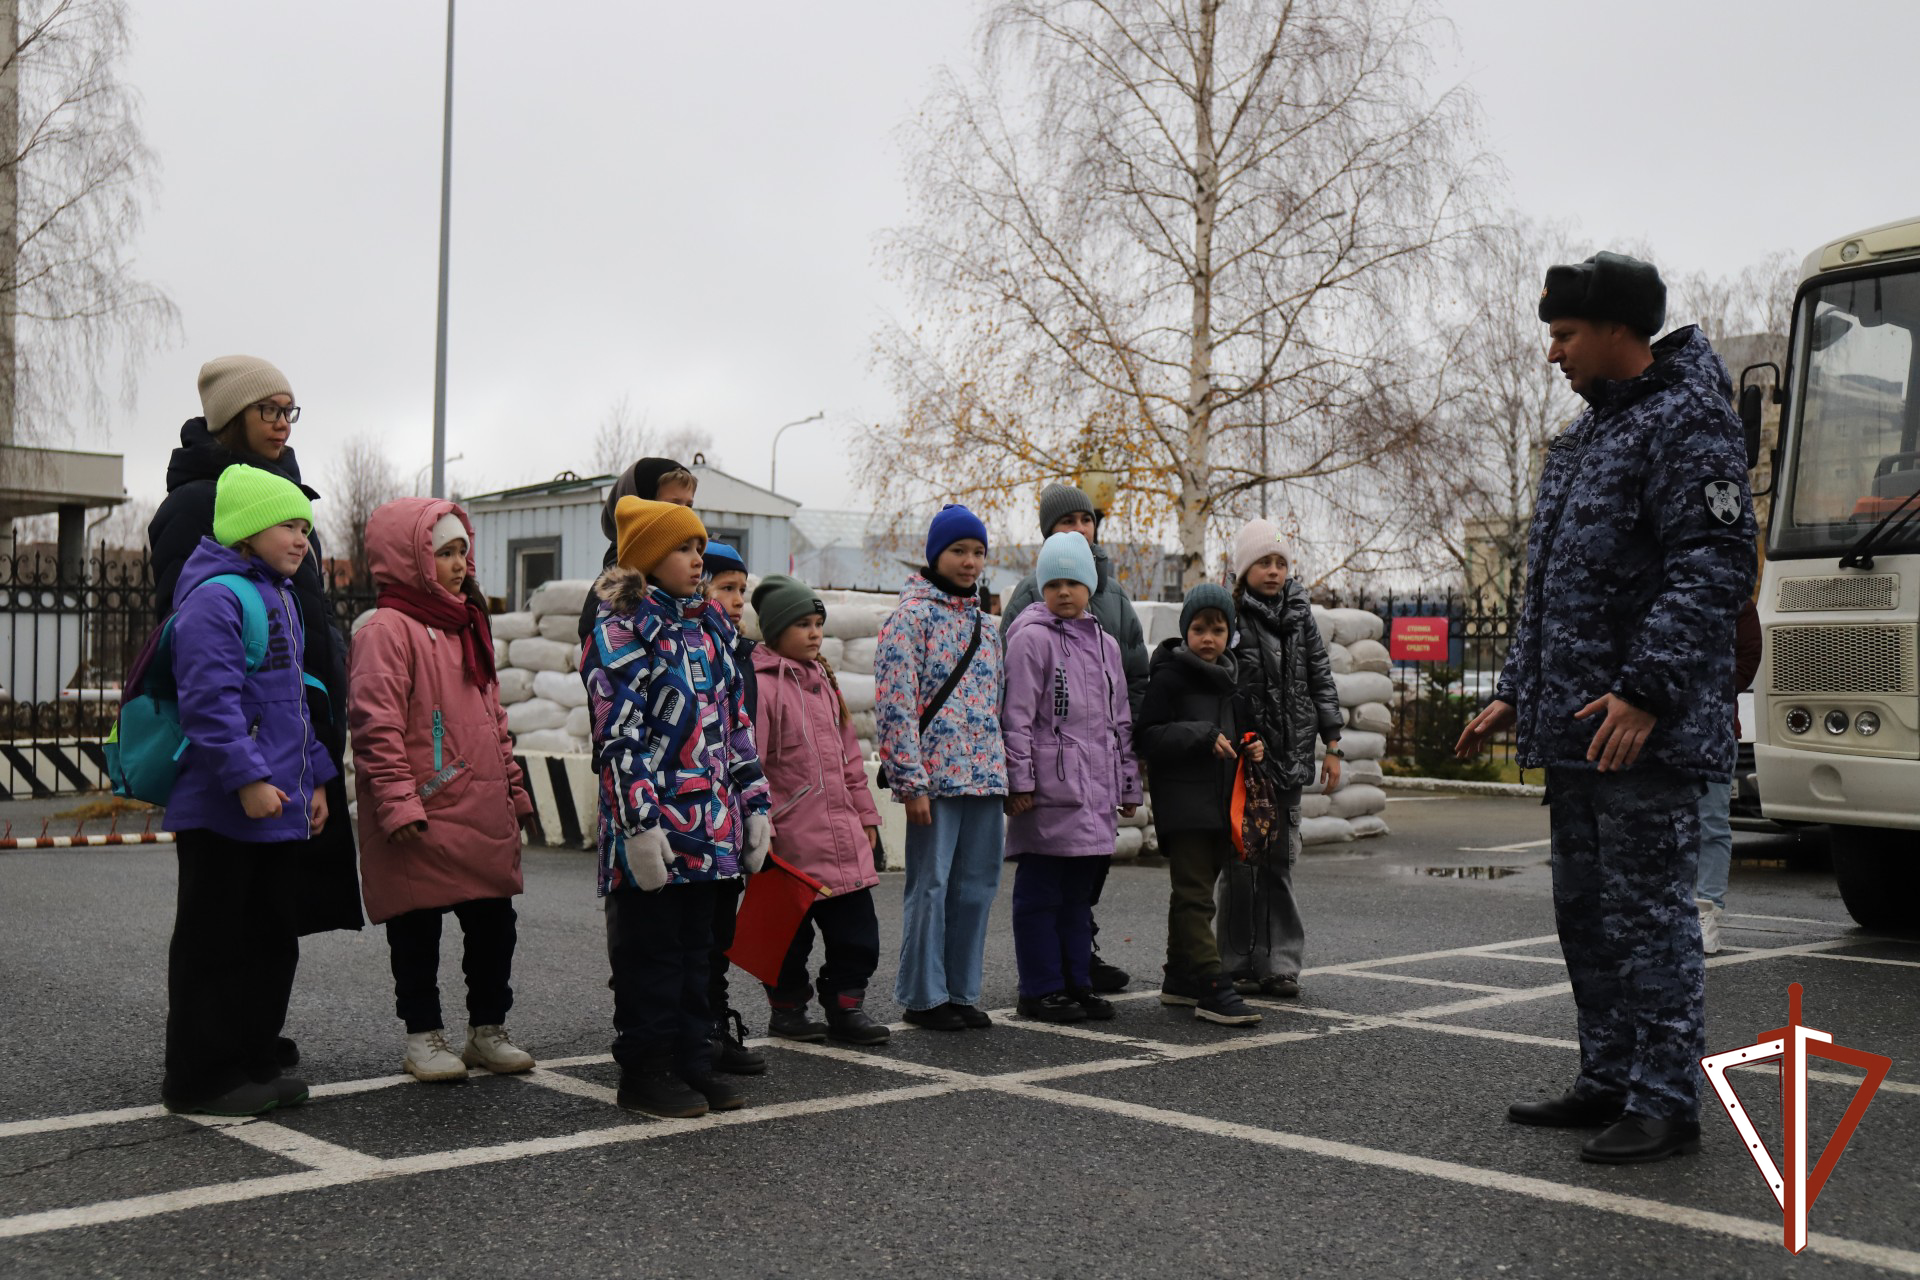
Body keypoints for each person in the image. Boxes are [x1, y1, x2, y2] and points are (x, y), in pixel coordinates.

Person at [1456, 251, 1757, 1165]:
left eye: (1565, 335)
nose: (1554, 354)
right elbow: (1550, 585)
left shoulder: (1689, 420)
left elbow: (1714, 567)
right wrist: (1517, 689)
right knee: (1586, 912)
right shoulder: (1587, 438)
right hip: (1579, 728)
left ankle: (1666, 1102)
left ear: (1620, 332)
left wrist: (1643, 691)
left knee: (1651, 917)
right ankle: (1609, 1077)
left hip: (1643, 732)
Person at [147, 357, 364, 1072]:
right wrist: (243, 765)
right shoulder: (205, 524)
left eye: (289, 410)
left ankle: (246, 1043)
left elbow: (304, 628)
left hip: (287, 749)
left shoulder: (283, 505)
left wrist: (319, 766)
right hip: (230, 761)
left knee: (272, 917)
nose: (281, 422)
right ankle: (208, 1060)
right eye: (267, 410)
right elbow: (208, 672)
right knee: (221, 919)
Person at [583, 498, 772, 1119]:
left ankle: (694, 1059)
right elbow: (618, 736)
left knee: (698, 954)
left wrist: (753, 804)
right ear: (646, 558)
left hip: (711, 829)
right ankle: (647, 1069)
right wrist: (638, 826)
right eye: (684, 548)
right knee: (651, 957)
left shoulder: (711, 628)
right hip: (655, 832)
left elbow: (734, 724)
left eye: (699, 547)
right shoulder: (621, 632)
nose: (698, 558)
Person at [159, 466, 337, 1116]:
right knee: (215, 942)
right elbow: (210, 704)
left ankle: (252, 1057)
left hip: (276, 805)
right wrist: (249, 779)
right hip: (224, 809)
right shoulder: (216, 599)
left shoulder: (278, 596)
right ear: (246, 528)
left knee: (268, 938)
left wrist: (314, 776)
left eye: (306, 529)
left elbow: (290, 702)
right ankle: (200, 1077)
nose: (302, 540)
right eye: (290, 525)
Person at [348, 498, 537, 1083]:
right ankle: (423, 1035)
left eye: (462, 552)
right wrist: (398, 801)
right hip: (421, 806)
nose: (460, 565)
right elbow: (374, 725)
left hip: (479, 803)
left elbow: (492, 720)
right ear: (411, 560)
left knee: (493, 925)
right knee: (417, 928)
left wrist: (516, 792)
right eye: (445, 553)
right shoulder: (386, 631)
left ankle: (488, 1029)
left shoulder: (464, 623)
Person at [998, 483, 1148, 993]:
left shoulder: (1105, 643)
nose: (1064, 591)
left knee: (1079, 896)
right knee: (1040, 894)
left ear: (1091, 584)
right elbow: (1014, 716)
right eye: (1054, 582)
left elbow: (1120, 721)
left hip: (1095, 793)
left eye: (1074, 582)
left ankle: (1077, 983)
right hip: (1048, 794)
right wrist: (1019, 781)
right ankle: (1042, 988)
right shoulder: (1029, 636)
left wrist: (1128, 784)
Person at [874, 504, 1007, 1032]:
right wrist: (910, 782)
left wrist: (1003, 773)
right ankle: (924, 996)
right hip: (934, 780)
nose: (970, 562)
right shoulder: (910, 618)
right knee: (930, 886)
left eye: (978, 552)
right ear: (935, 554)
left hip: (984, 779)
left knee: (976, 887)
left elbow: (997, 703)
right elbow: (895, 704)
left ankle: (961, 991)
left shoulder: (986, 626)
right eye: (959, 551)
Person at [749, 574, 890, 1046]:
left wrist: (867, 817)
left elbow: (851, 760)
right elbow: (755, 763)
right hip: (791, 840)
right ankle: (787, 1009)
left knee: (858, 935)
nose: (814, 633)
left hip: (841, 835)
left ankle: (846, 1007)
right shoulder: (764, 687)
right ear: (774, 632)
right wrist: (761, 826)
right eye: (802, 624)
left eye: (818, 624)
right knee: (788, 937)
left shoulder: (824, 683)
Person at [1135, 584, 1264, 1026]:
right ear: (1184, 630)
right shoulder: (1169, 676)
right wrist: (1200, 735)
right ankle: (1212, 985)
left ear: (1230, 634)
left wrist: (1254, 745)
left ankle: (1179, 978)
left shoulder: (1233, 680)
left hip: (1223, 806)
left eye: (1218, 629)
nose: (1208, 638)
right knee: (1195, 897)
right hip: (1186, 803)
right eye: (1199, 628)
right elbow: (1147, 735)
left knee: (1194, 893)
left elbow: (1242, 732)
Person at [1227, 520, 1343, 999]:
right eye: (1262, 563)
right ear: (1243, 569)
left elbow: (1321, 681)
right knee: (1239, 865)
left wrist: (1333, 745)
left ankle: (1280, 965)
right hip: (1245, 764)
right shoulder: (1231, 617)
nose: (1273, 571)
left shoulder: (1301, 617)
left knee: (1279, 863)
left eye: (1280, 563)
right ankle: (1235, 962)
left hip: (1291, 762)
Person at [689, 536, 769, 1076]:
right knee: (689, 935)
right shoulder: (695, 646)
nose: (739, 599)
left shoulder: (739, 653)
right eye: (726, 588)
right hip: (691, 815)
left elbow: (743, 732)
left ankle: (715, 1021)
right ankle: (691, 1032)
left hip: (731, 809)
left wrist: (755, 802)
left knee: (721, 930)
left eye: (743, 589)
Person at [1695, 598, 1762, 954]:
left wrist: (1702, 690)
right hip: (1660, 727)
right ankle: (1670, 912)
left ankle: (1706, 910)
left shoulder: (1734, 598)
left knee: (1712, 822)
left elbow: (1748, 659)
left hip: (1715, 729)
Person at [575, 457, 698, 643]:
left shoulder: (691, 573)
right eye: (673, 504)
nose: (683, 514)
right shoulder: (618, 585)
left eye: (689, 506)